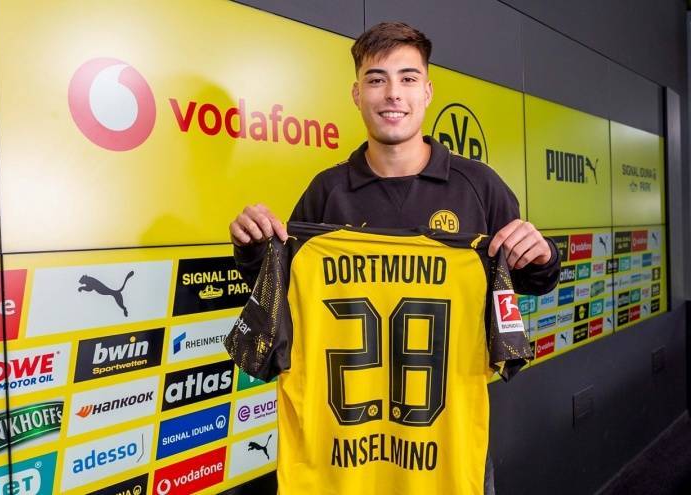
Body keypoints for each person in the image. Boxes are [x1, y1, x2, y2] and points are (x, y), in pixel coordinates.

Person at [228, 21, 559, 495]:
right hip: (344, 458)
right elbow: (283, 292)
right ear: (356, 94)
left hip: (447, 451)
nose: (392, 94)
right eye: (376, 79)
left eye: (407, 78)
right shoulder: (327, 191)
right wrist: (253, 248)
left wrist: (541, 255)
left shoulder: (479, 186)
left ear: (427, 91)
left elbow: (532, 280)